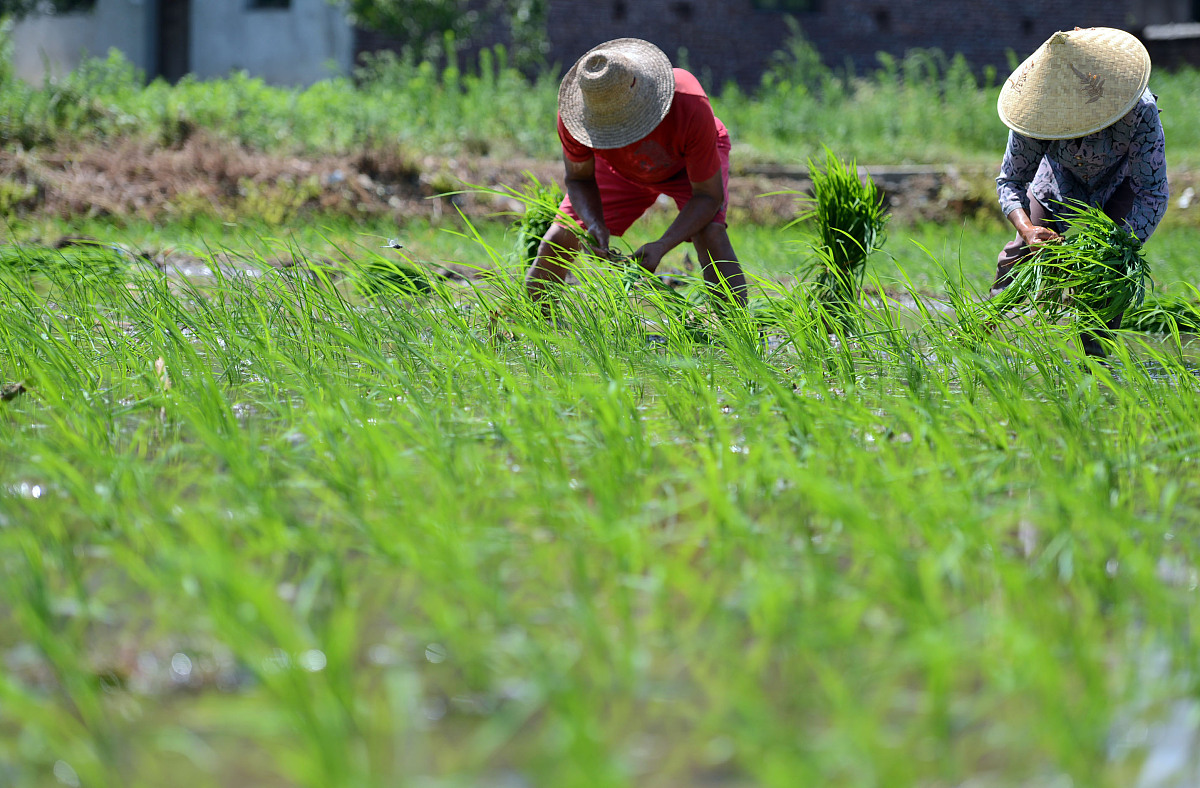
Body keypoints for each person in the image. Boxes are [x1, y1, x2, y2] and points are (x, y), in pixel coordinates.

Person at [525, 38, 746, 312]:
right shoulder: (575, 119)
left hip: (685, 167)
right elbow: (579, 179)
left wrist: (663, 245)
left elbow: (708, 196)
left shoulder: (688, 103)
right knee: (559, 237)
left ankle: (738, 335)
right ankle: (535, 332)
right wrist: (593, 223)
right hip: (620, 170)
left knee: (710, 233)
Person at [991, 26, 1168, 356]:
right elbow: (1011, 182)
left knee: (1105, 277)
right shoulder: (1036, 112)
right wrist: (1029, 231)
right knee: (1017, 259)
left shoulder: (1137, 110)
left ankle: (1097, 369)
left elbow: (1151, 192)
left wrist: (1110, 250)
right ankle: (975, 339)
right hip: (1058, 184)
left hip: (1119, 187)